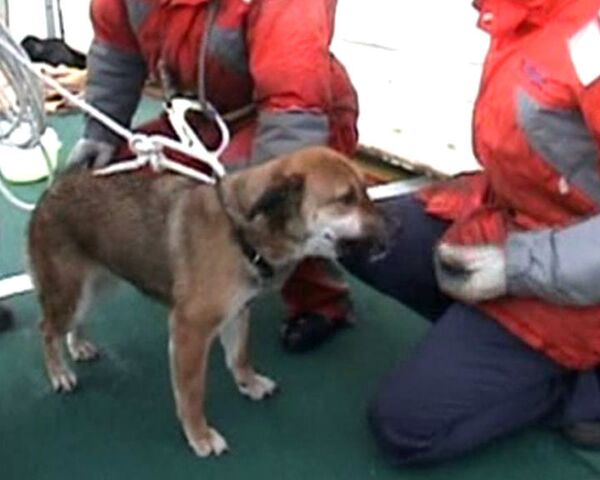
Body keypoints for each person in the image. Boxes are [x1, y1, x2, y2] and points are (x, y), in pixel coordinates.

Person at [342, 0, 600, 465]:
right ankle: (486, 344)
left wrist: (516, 268)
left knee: (404, 427)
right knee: (361, 235)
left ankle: (575, 388)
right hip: (515, 219)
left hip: (578, 285)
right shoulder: (525, 13)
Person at [70, 0, 359, 352]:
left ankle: (322, 300)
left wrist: (261, 204)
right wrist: (100, 132)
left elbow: (292, 106)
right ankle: (198, 275)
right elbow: (116, 52)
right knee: (133, 177)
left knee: (275, 206)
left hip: (300, 116)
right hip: (206, 116)